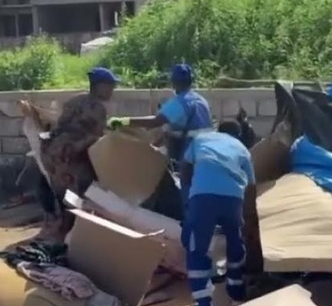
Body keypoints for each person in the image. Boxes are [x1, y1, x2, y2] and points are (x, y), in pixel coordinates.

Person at [180, 119, 257, 306]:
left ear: (218, 130)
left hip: (203, 197)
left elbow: (185, 165)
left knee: (198, 249)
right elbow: (251, 186)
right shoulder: (242, 149)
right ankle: (237, 297)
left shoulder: (202, 138)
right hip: (233, 198)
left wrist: (187, 194)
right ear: (238, 135)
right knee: (235, 244)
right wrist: (246, 217)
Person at [39, 67, 119, 236]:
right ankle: (69, 235)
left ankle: (63, 229)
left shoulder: (75, 100)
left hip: (54, 150)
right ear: (99, 86)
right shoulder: (98, 108)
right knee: (76, 195)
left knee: (62, 193)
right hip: (72, 154)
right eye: (110, 86)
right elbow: (96, 138)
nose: (113, 90)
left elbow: (60, 124)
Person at [107, 63, 213, 164]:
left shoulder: (181, 102)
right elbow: (172, 131)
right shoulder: (201, 100)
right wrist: (154, 146)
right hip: (208, 150)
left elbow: (155, 122)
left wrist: (123, 121)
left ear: (173, 82)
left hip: (191, 154)